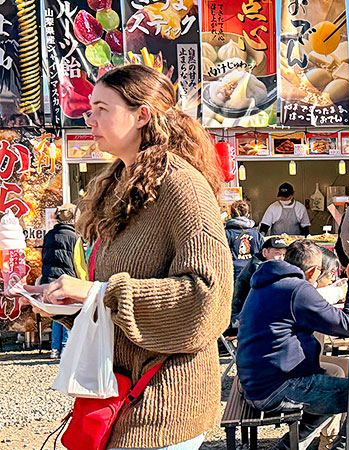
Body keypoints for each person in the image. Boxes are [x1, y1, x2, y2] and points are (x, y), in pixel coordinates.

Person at [23, 64, 233, 450]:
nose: (89, 117)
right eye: (90, 107)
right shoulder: (122, 184)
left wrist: (99, 293)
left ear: (142, 115)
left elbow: (210, 298)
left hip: (166, 400)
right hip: (123, 395)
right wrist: (67, 304)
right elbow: (111, 302)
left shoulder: (182, 186)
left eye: (102, 107)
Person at [237, 240, 349, 450]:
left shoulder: (267, 281)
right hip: (277, 387)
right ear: (313, 271)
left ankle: (289, 447)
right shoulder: (297, 289)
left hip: (256, 381)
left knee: (334, 376)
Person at [40, 204, 84, 359]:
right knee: (68, 314)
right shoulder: (75, 237)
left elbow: (43, 258)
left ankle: (54, 349)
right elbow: (78, 262)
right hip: (68, 280)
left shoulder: (49, 235)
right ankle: (66, 349)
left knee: (57, 315)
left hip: (49, 280)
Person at [232, 236, 288, 326]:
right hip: (243, 319)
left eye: (283, 255)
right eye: (277, 254)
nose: (281, 259)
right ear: (265, 252)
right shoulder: (258, 269)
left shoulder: (264, 265)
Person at [225, 200, 264, 281]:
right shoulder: (256, 234)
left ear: (230, 215)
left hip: (233, 274)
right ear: (248, 215)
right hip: (253, 273)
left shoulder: (226, 233)